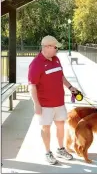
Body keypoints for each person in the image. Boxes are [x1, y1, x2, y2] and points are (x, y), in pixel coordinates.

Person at [28, 35, 80, 165]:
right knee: (46, 128)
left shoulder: (56, 59)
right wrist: (36, 104)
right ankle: (47, 152)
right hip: (45, 104)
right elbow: (32, 86)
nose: (57, 50)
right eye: (55, 47)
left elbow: (61, 76)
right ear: (46, 47)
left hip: (59, 103)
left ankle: (61, 149)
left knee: (61, 126)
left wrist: (70, 87)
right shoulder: (35, 64)